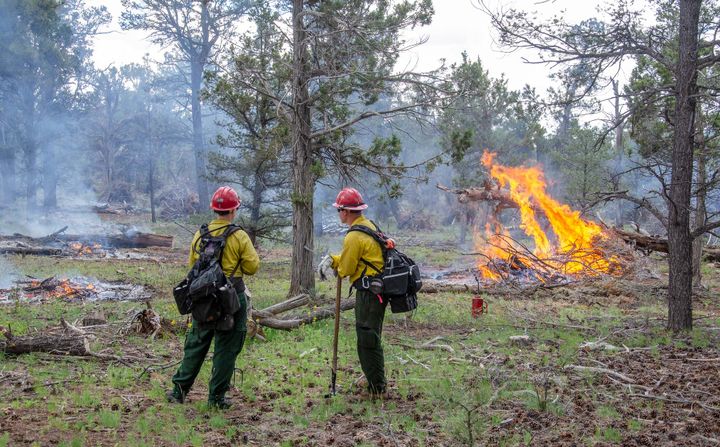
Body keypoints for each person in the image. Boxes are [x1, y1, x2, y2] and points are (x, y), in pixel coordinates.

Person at [167, 186, 260, 409]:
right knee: (226, 349)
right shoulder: (239, 236)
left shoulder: (201, 234)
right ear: (234, 209)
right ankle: (216, 399)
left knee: (196, 344)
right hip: (231, 298)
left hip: (203, 299)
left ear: (214, 209)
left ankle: (178, 392)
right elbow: (253, 266)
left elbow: (193, 265)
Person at [324, 187, 388, 397]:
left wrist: (337, 266)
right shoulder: (368, 226)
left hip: (370, 294)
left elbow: (347, 269)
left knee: (367, 339)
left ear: (346, 211)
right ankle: (375, 382)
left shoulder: (354, 236)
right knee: (370, 337)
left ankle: (377, 387)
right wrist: (333, 259)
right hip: (376, 290)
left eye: (339, 210)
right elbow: (354, 259)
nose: (339, 213)